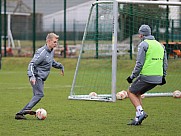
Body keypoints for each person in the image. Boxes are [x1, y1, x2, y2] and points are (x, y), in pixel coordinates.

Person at [15, 33, 64, 120]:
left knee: (37, 95)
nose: (56, 44)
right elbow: (31, 64)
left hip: (41, 78)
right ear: (48, 41)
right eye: (54, 42)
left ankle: (21, 113)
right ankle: (23, 111)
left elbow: (51, 62)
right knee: (39, 94)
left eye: (56, 42)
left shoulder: (51, 51)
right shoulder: (41, 52)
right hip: (36, 76)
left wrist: (60, 66)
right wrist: (32, 76)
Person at [126, 24, 168, 125]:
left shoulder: (144, 44)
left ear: (141, 35)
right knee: (138, 93)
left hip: (146, 76)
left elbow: (139, 63)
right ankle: (137, 118)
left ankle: (140, 112)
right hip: (158, 78)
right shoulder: (160, 45)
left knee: (130, 92)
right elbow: (165, 63)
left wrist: (132, 76)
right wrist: (163, 76)